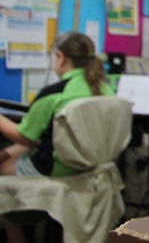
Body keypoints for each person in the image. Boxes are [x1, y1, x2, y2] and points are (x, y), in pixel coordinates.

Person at [0, 31, 116, 177]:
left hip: (57, 167)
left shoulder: (54, 93)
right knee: (12, 151)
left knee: (3, 167)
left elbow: (25, 136)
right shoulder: (106, 89)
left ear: (60, 57)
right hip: (93, 166)